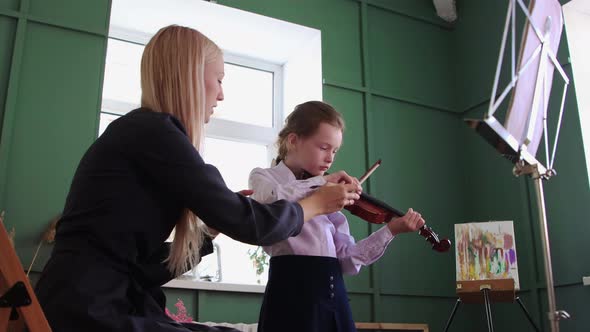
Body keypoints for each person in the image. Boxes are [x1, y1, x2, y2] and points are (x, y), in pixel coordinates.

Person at [34, 26, 361, 332]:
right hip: (90, 310)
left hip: (94, 302)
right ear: (191, 75)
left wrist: (209, 231)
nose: (221, 94)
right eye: (218, 79)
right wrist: (315, 204)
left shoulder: (143, 133)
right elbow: (251, 226)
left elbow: (141, 271)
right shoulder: (155, 133)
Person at [249, 101, 426, 332]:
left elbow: (348, 261)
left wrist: (390, 230)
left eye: (334, 151)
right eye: (323, 147)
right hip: (290, 301)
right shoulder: (264, 177)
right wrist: (320, 183)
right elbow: (269, 200)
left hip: (335, 306)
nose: (330, 159)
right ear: (293, 140)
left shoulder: (330, 199)